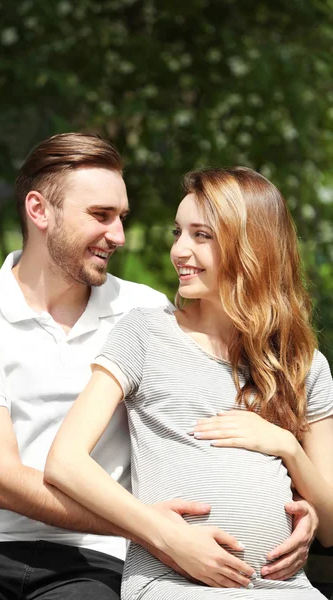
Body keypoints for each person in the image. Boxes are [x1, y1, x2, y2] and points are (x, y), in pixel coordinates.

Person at [0, 135, 316, 599]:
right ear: (39, 211)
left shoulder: (146, 313)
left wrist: (294, 507)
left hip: (98, 560)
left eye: (121, 217)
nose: (119, 236)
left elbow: (221, 423)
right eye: (101, 215)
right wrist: (154, 528)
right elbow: (5, 481)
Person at [44, 166, 333, 599]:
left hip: (284, 588)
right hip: (173, 582)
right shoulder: (144, 333)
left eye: (202, 236)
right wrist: (164, 533)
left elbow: (329, 527)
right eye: (178, 232)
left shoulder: (303, 364)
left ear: (252, 246)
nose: (180, 249)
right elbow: (64, 461)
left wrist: (287, 447)